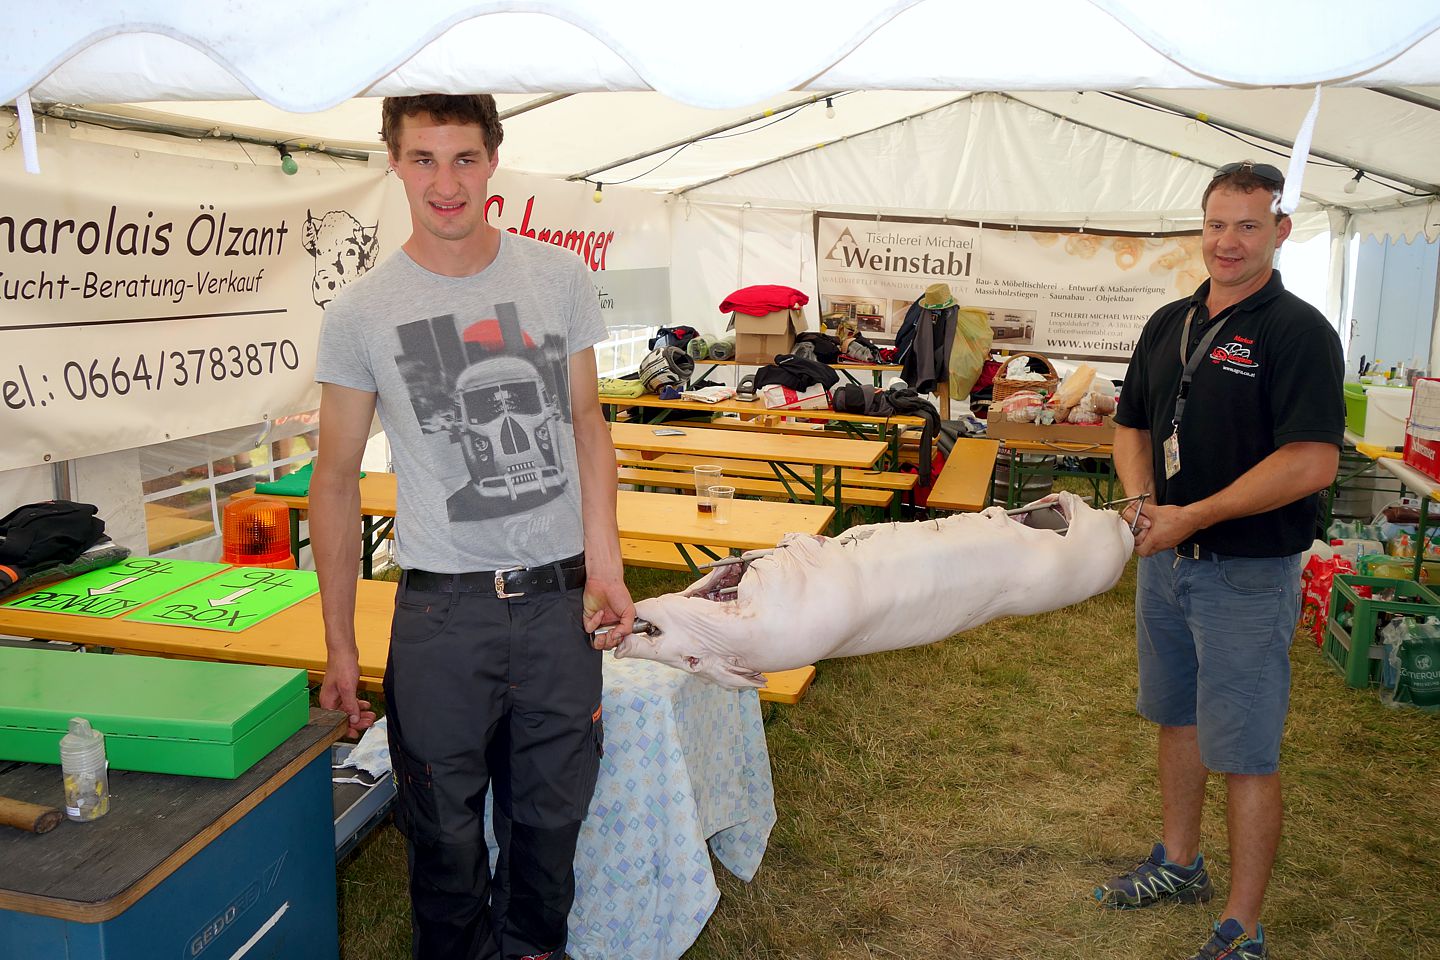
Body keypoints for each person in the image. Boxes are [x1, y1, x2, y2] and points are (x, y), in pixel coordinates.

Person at [310, 93, 635, 960]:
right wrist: (339, 644)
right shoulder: (360, 312)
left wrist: (605, 566)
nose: (445, 183)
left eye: (462, 159)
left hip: (558, 606)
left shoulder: (556, 278)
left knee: (550, 829)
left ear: (493, 159)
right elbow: (333, 482)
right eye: (423, 159)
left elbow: (588, 427)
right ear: (394, 162)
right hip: (442, 614)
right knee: (444, 840)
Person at [1099, 160, 1344, 960]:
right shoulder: (1169, 321)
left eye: (1247, 225)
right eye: (1215, 224)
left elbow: (1311, 462)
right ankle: (1180, 862)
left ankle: (1242, 926)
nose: (1228, 241)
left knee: (1243, 749)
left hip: (1247, 572)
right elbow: (1133, 426)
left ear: (1281, 231)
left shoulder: (1297, 331)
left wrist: (1192, 517)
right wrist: (1142, 502)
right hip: (1166, 562)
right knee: (1176, 716)